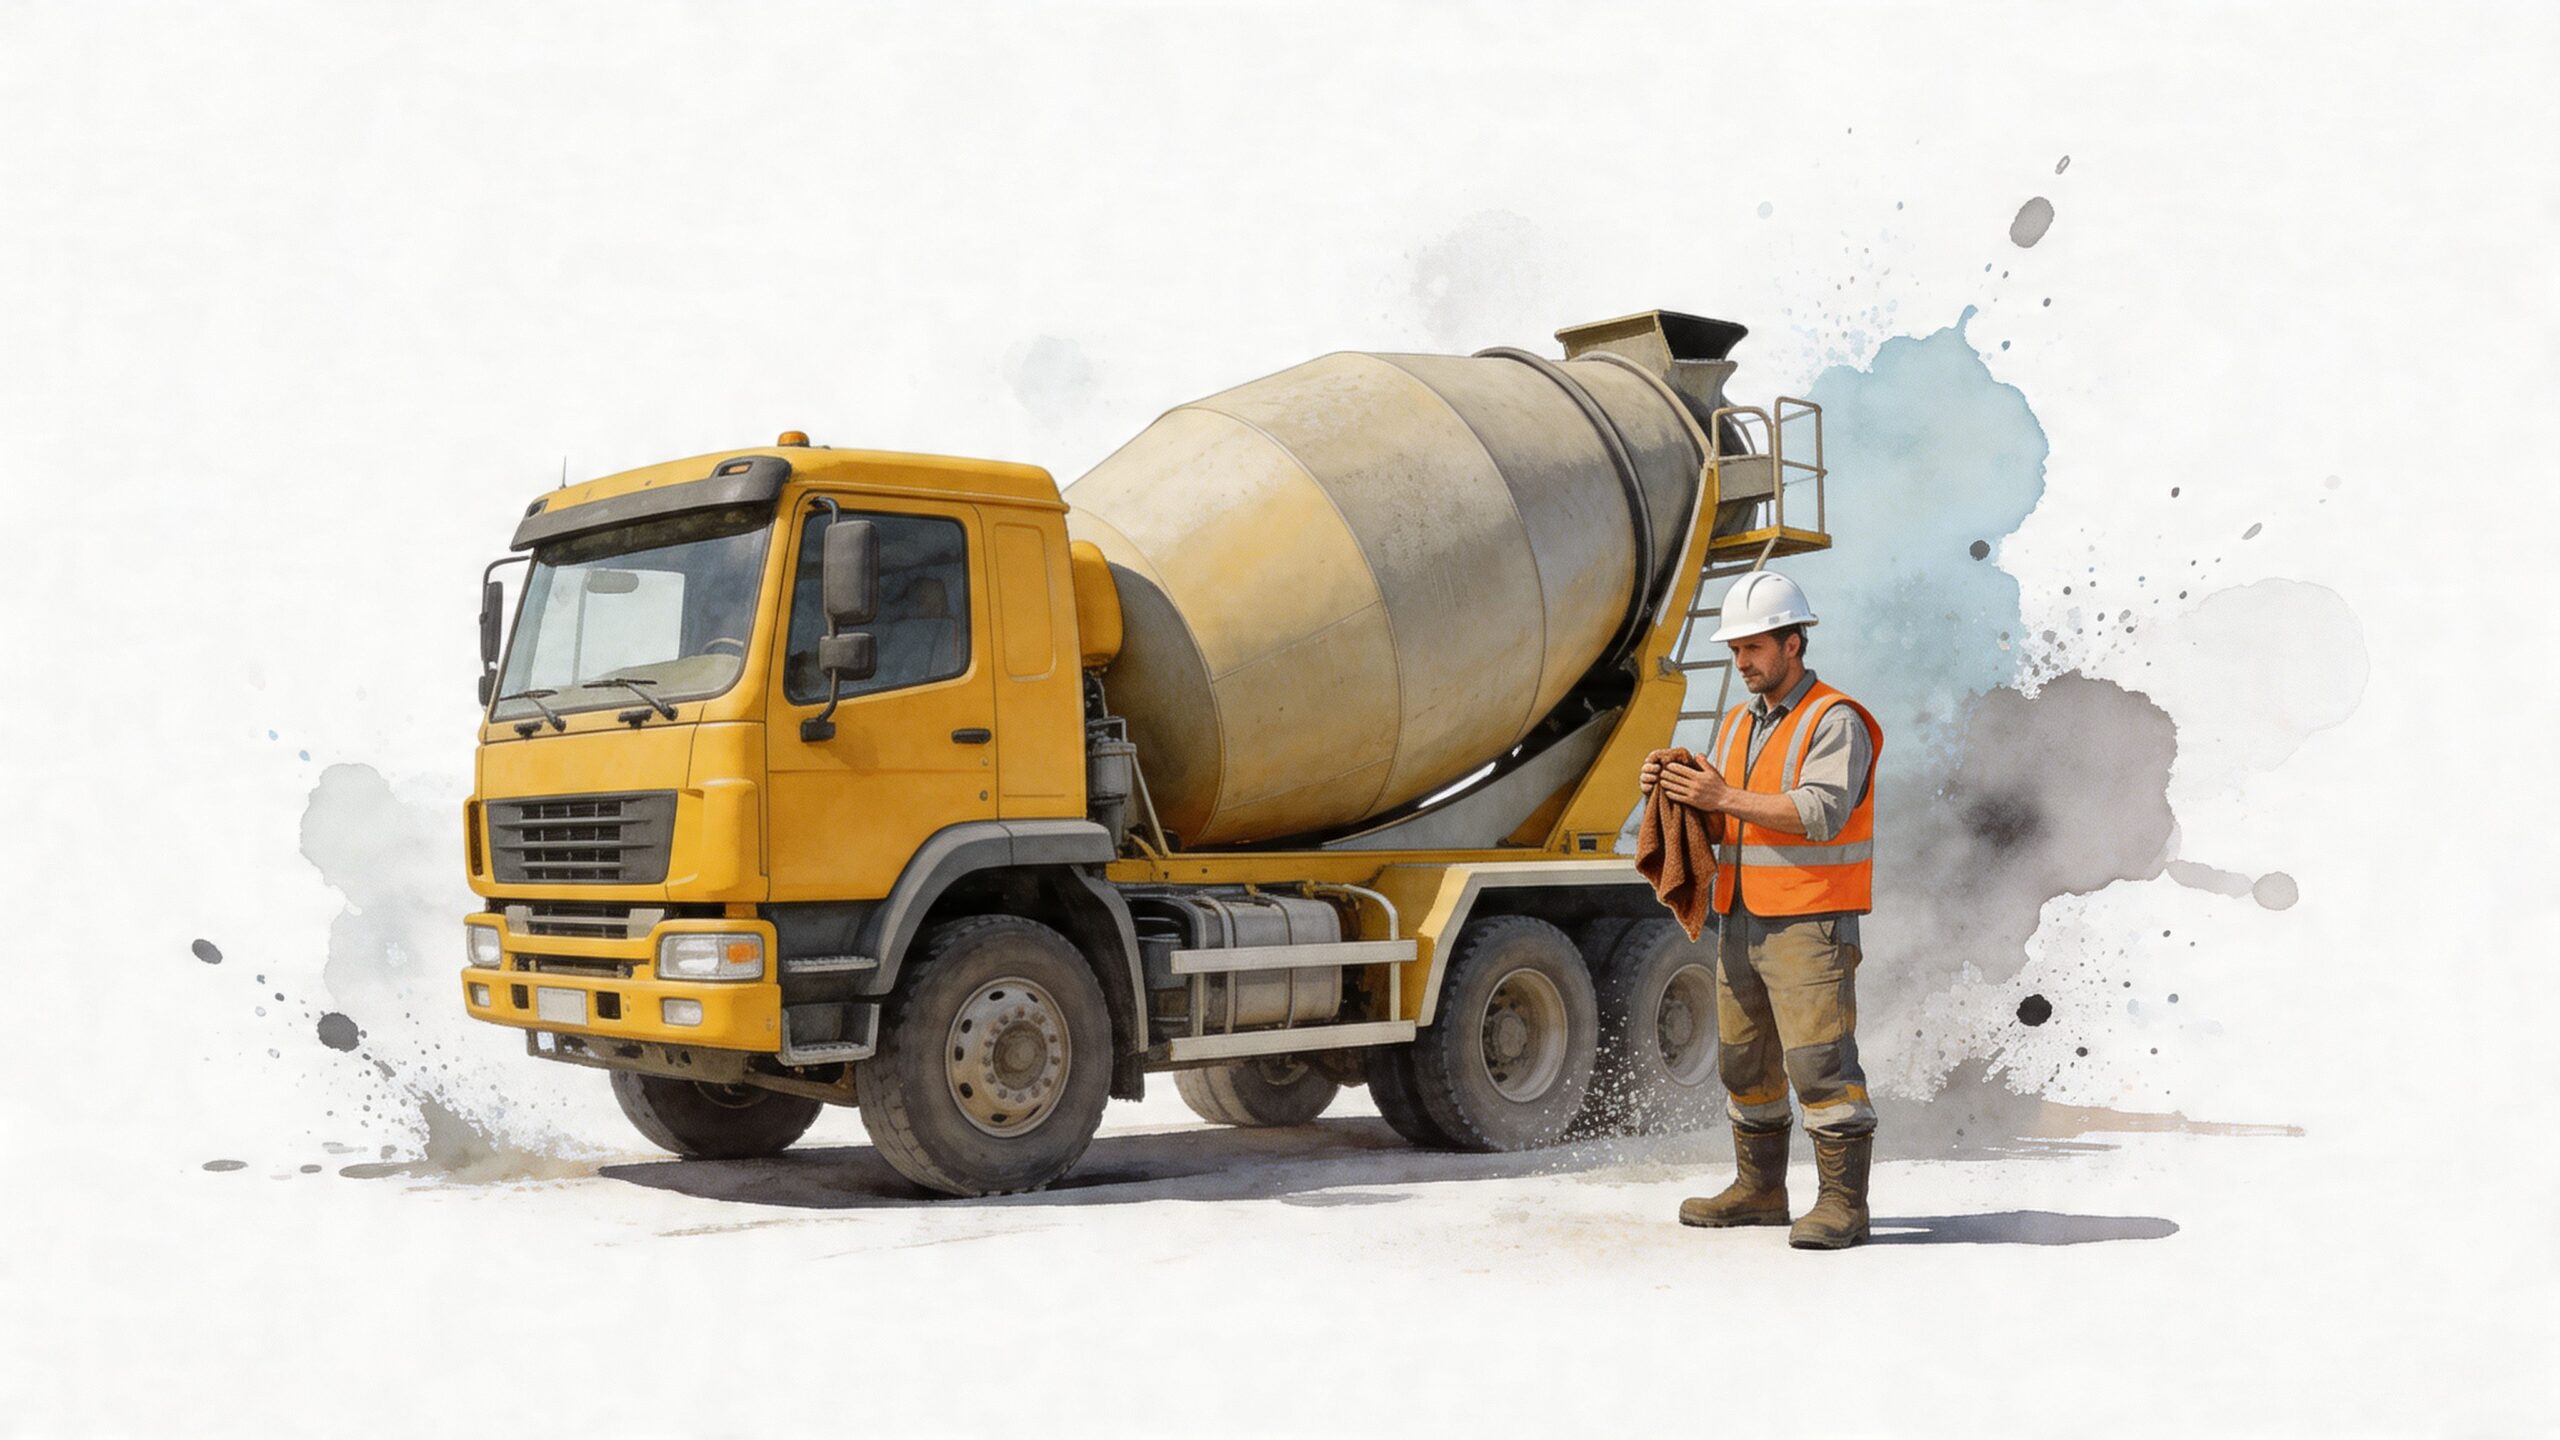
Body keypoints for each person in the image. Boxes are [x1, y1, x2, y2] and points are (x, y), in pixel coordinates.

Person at [1639, 569, 1884, 1250]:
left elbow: (1820, 811)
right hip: (1742, 918)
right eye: (1735, 650)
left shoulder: (1835, 719)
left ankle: (1843, 1206)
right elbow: (1725, 823)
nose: (1742, 662)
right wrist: (1676, 793)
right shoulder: (1740, 726)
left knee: (1820, 1068)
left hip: (1810, 922)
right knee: (1743, 1064)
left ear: (1794, 642)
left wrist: (1721, 799)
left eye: (1753, 648)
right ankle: (1760, 1191)